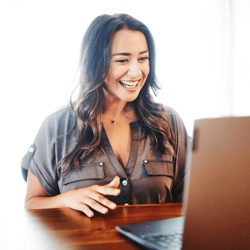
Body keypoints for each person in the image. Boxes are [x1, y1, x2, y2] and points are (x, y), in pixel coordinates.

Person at [21, 13, 189, 218]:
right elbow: (32, 203)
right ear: (95, 63)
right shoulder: (57, 127)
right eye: (122, 60)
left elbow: (190, 202)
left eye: (143, 58)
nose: (135, 72)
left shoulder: (169, 122)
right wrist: (66, 199)